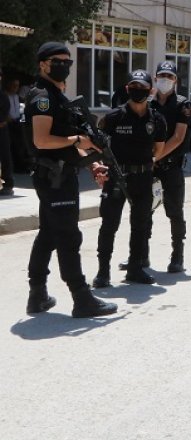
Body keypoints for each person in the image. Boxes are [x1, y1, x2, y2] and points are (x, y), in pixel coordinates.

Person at [23, 41, 117, 317]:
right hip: (54, 177)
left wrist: (93, 164)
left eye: (68, 61)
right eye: (57, 60)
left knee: (49, 234)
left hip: (59, 173)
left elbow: (65, 143)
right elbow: (42, 140)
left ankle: (37, 295)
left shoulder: (58, 96)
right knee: (68, 235)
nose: (64, 65)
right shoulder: (43, 95)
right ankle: (82, 297)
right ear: (43, 64)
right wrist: (80, 139)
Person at [92, 70, 167, 288]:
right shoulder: (114, 117)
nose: (138, 91)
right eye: (134, 86)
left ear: (150, 90)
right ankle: (103, 272)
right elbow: (98, 145)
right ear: (127, 89)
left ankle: (135, 268)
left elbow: (159, 149)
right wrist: (99, 167)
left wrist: (146, 164)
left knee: (140, 225)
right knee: (109, 224)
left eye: (143, 87)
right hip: (116, 176)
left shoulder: (157, 119)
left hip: (143, 177)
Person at [148, 60, 191, 273]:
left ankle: (177, 256)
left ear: (176, 80)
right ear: (155, 78)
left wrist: (155, 157)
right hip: (150, 167)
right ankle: (139, 255)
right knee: (143, 211)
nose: (165, 80)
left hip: (171, 166)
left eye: (170, 77)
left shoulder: (183, 104)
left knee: (174, 211)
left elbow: (178, 137)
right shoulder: (148, 103)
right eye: (162, 76)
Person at [0, 68, 13, 196]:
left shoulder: (2, 95)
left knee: (5, 157)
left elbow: (4, 116)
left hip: (1, 130)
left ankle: (8, 184)